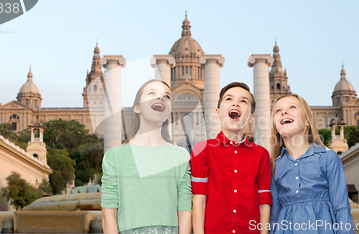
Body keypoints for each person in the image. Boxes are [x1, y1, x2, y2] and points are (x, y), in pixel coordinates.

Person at [101, 79, 192, 234]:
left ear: (169, 111)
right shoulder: (114, 156)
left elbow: (184, 211)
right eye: (152, 93)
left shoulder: (181, 156)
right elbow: (108, 215)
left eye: (167, 96)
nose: (161, 98)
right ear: (137, 108)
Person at [191, 82, 272, 234]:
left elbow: (264, 201)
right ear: (217, 112)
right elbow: (199, 200)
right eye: (229, 99)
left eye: (243, 101)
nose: (235, 103)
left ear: (251, 117)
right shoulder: (201, 149)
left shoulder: (261, 154)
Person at [269, 94, 354, 234]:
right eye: (278, 110)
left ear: (307, 121)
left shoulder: (328, 157)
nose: (283, 112)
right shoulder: (274, 166)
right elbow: (273, 216)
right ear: (276, 127)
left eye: (292, 107)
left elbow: (342, 207)